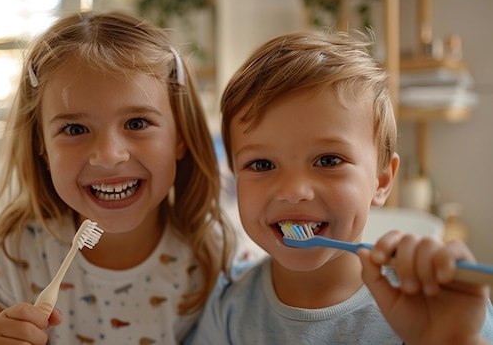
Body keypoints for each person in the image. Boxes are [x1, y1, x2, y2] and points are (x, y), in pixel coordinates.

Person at [186, 30, 493, 344]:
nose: (293, 191)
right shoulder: (227, 311)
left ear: (382, 180)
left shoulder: (435, 304)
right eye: (262, 165)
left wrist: (454, 339)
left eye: (328, 160)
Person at [0, 10, 237, 345]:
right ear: (42, 147)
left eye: (137, 123)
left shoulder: (213, 253)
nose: (109, 155)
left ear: (180, 136)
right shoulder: (17, 252)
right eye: (75, 129)